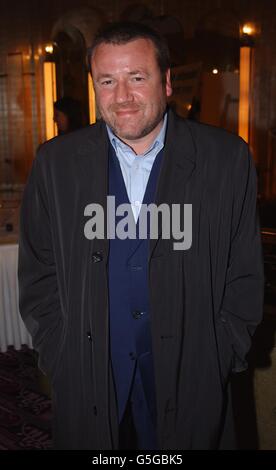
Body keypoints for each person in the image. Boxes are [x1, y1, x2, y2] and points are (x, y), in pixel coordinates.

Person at [18, 21, 264, 450]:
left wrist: (219, 356)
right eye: (108, 81)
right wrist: (61, 356)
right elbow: (39, 273)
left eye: (137, 77)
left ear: (166, 82)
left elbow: (244, 275)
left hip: (191, 378)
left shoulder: (225, 160)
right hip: (92, 377)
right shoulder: (55, 164)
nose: (123, 96)